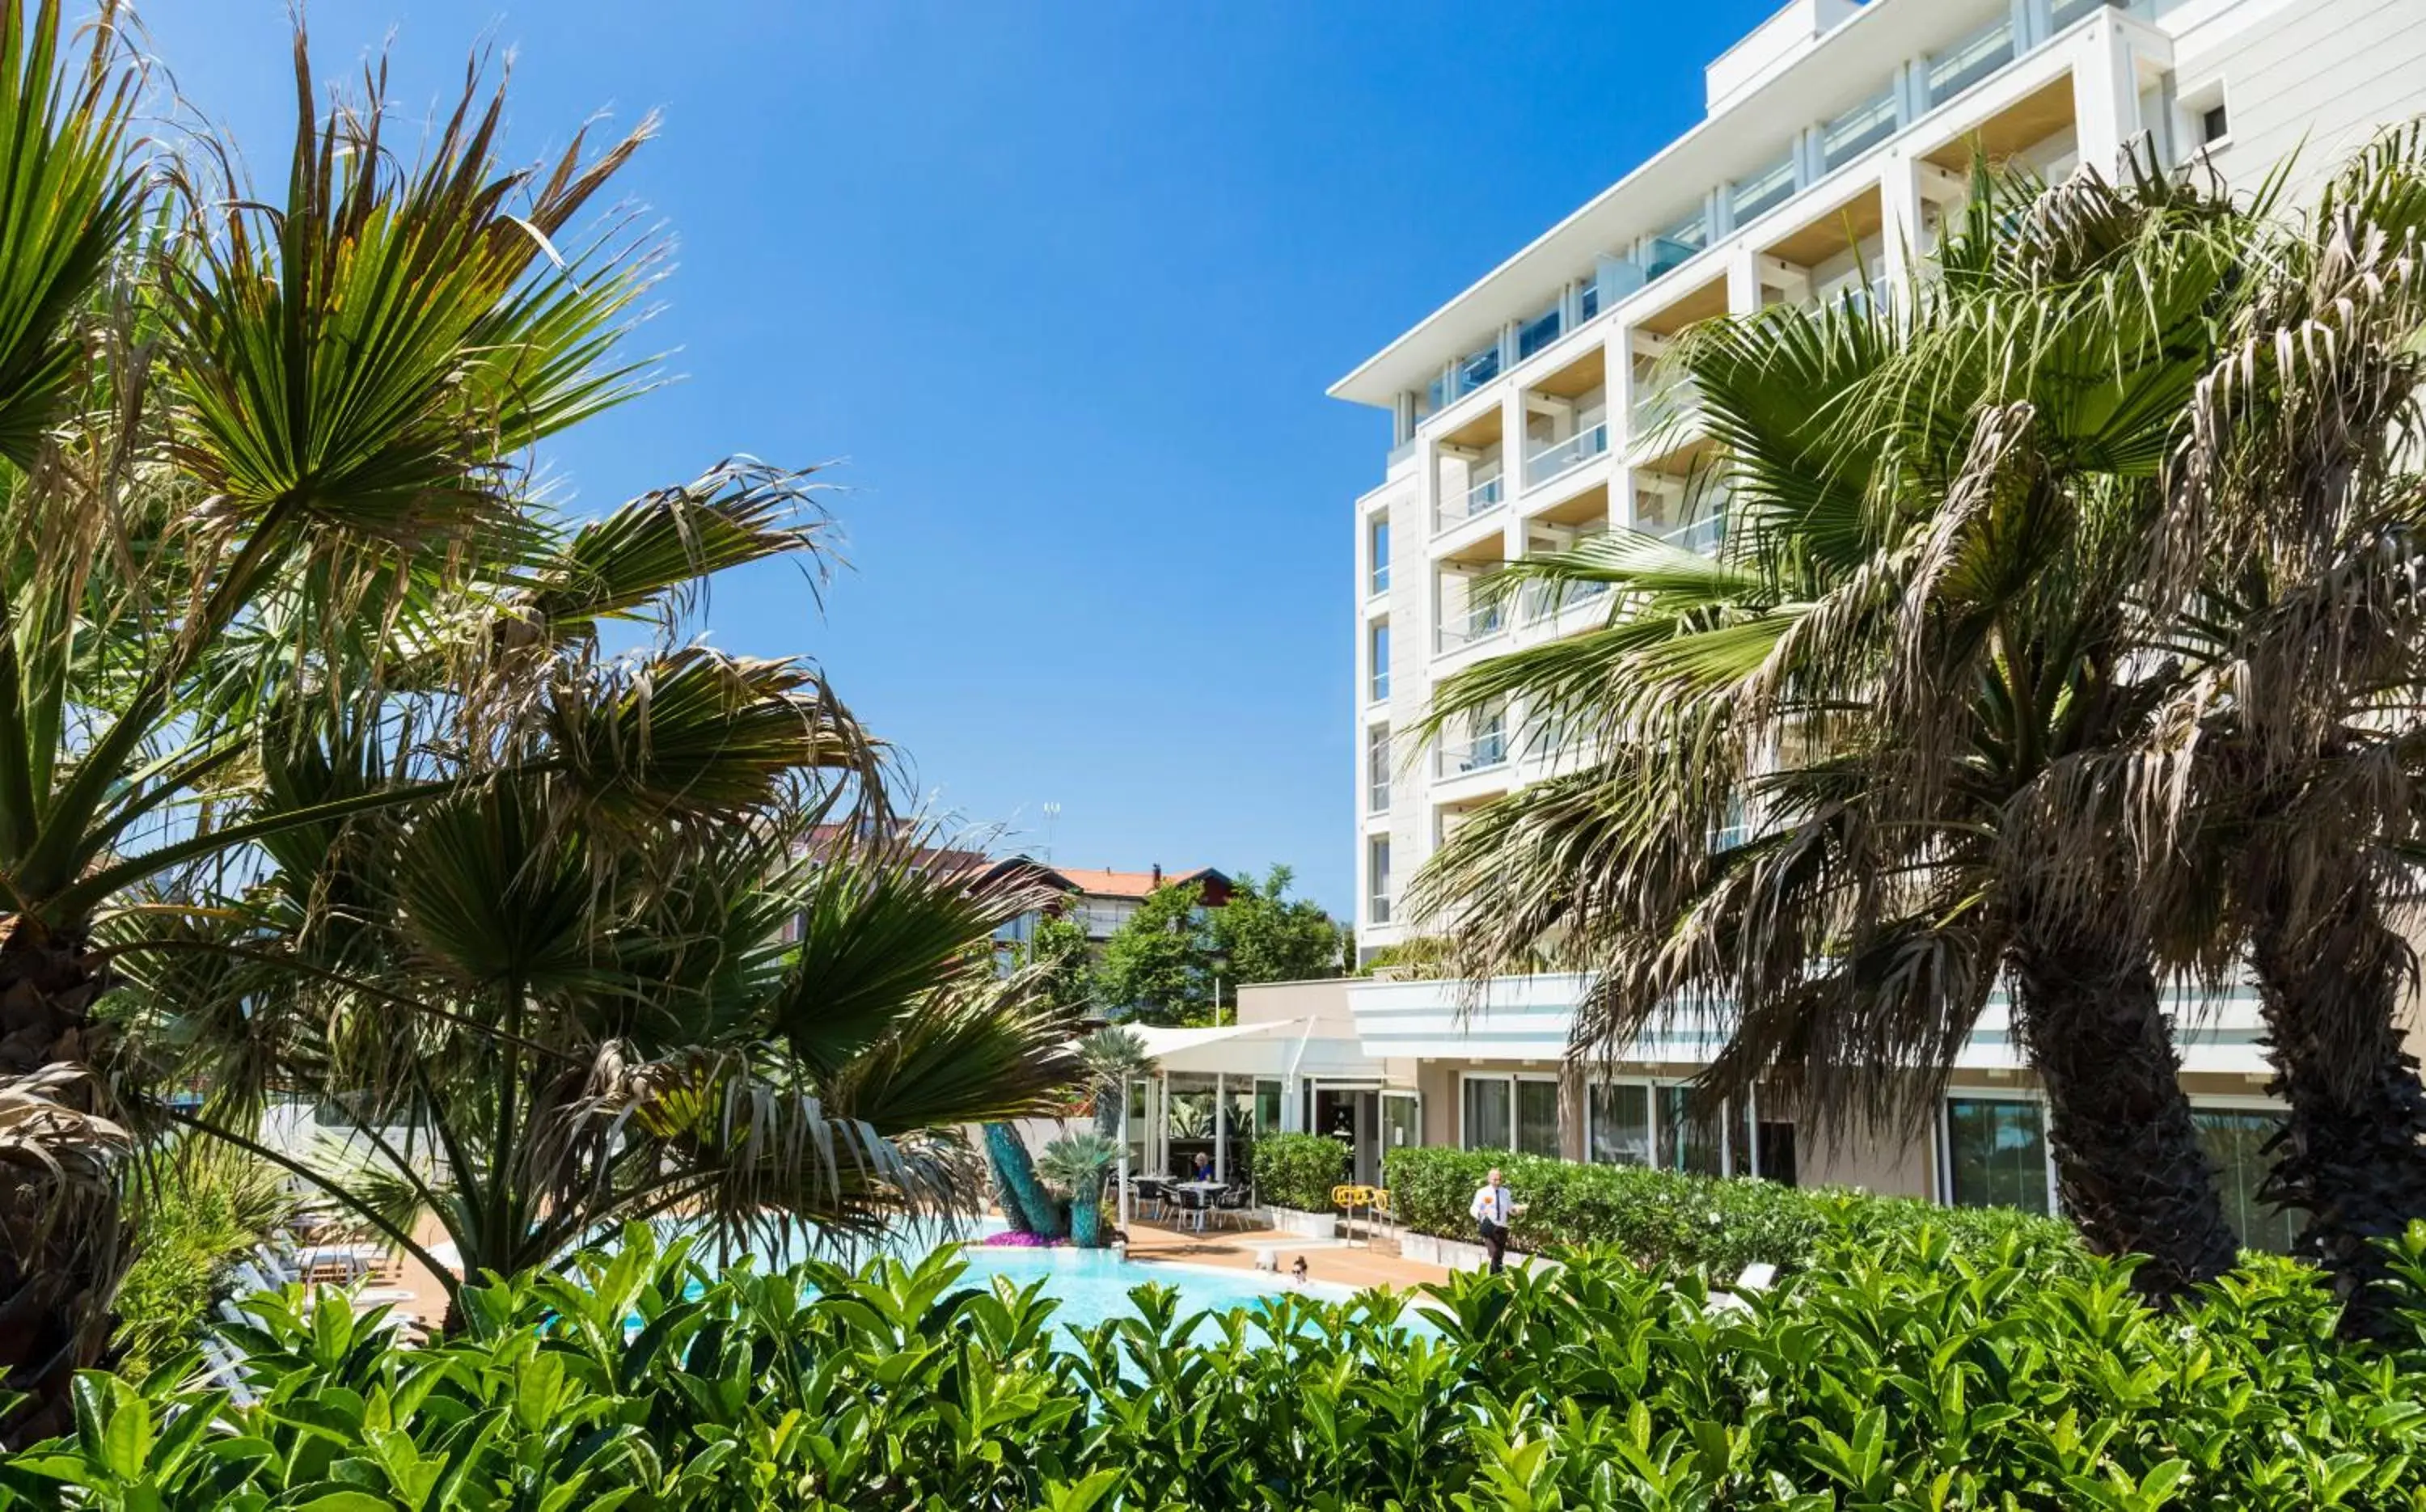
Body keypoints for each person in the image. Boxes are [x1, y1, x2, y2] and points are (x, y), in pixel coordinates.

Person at [1469, 1167, 1524, 1275]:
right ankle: (1498, 1276)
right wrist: (1480, 1214)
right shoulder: (1482, 1192)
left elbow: (1510, 1208)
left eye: (1499, 1179)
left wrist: (1516, 1211)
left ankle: (1494, 1277)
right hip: (1489, 1226)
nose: (1498, 1182)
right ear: (1489, 1179)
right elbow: (1473, 1208)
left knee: (1499, 1255)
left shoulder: (1505, 1192)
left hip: (1502, 1227)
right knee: (1494, 1252)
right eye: (1495, 1179)